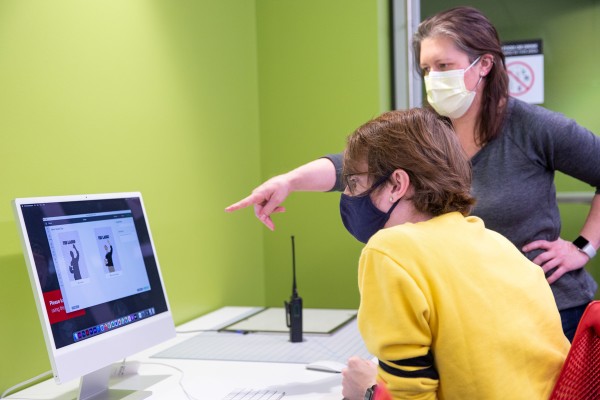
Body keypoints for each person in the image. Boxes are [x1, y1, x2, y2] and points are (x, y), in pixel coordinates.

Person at [226, 6, 600, 340]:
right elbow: (353, 166)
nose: (432, 77)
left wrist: (582, 247)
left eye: (444, 66)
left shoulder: (535, 127)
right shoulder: (428, 131)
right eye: (425, 68)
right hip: (466, 310)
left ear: (484, 65)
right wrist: (288, 181)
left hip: (548, 310)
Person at [336, 108, 569, 400]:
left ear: (397, 184)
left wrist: (368, 391)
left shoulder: (389, 250)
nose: (348, 194)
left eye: (355, 183)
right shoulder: (498, 244)